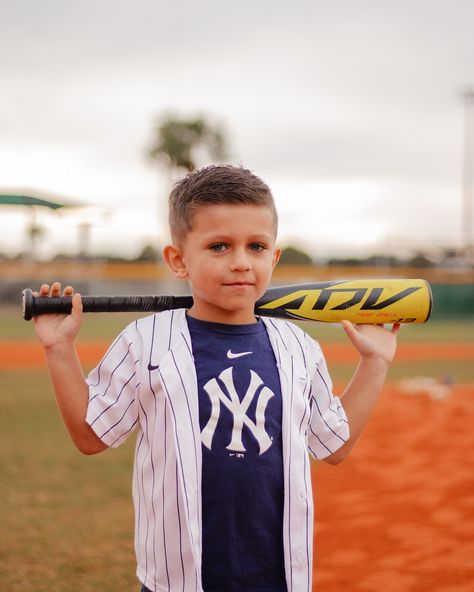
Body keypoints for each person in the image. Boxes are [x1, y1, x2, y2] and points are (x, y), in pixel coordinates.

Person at [33, 164, 399, 592]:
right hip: (177, 578)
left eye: (257, 246)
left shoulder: (298, 347)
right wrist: (59, 349)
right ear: (178, 259)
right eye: (219, 246)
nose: (241, 262)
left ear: (274, 257)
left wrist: (374, 362)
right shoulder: (147, 341)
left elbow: (333, 444)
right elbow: (91, 435)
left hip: (279, 576)